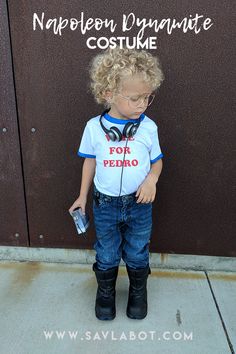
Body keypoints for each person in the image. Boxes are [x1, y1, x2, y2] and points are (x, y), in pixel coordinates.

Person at [69, 46, 164, 321]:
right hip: (105, 204)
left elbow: (157, 160)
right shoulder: (93, 128)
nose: (142, 105)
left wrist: (152, 179)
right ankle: (106, 294)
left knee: (137, 250)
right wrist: (82, 197)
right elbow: (90, 162)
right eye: (135, 98)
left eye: (147, 98)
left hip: (139, 203)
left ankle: (137, 292)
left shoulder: (148, 127)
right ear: (109, 94)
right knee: (107, 252)